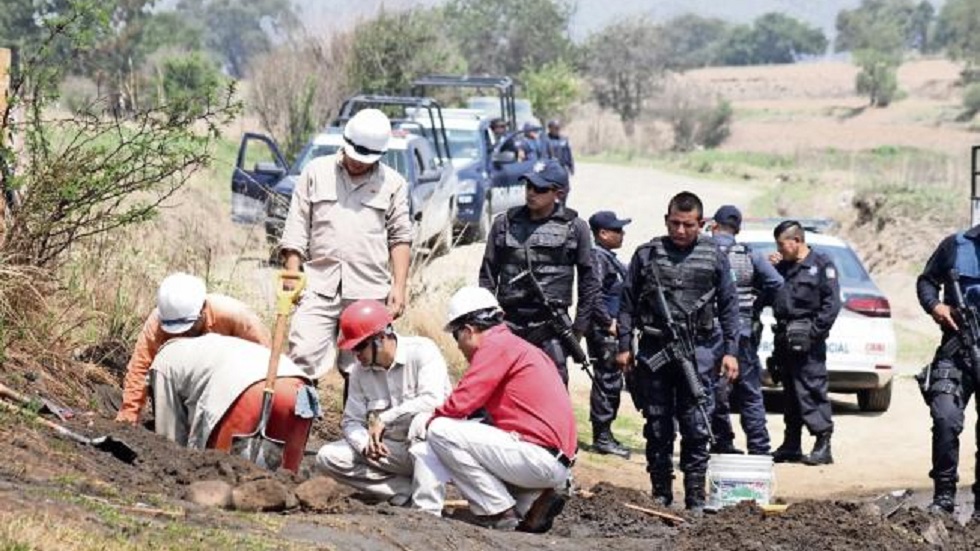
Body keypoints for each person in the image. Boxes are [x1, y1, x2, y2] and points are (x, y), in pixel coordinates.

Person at [616, 191, 740, 512]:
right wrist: (624, 346)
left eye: (688, 225)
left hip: (698, 351)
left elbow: (729, 307)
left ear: (701, 223)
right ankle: (661, 493)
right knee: (657, 425)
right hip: (655, 349)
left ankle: (695, 496)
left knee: (697, 424)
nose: (680, 231)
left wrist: (731, 351)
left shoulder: (714, 256)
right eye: (675, 223)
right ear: (666, 220)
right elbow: (627, 304)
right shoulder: (647, 255)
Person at [426, 287, 576, 532]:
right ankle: (530, 505)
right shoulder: (520, 346)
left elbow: (460, 404)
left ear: (468, 330)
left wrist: (425, 424)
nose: (458, 346)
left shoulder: (495, 346)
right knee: (524, 515)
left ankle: (496, 510)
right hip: (552, 460)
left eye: (456, 337)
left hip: (537, 458)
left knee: (440, 430)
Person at [278, 108, 412, 383]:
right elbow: (297, 226)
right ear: (345, 142)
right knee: (302, 358)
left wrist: (399, 287)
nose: (358, 163)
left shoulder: (394, 184)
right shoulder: (315, 172)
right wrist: (293, 274)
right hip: (317, 286)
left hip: (369, 290)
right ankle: (301, 422)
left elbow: (400, 237)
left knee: (365, 368)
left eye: (366, 160)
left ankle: (356, 424)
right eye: (354, 156)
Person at [316, 300, 451, 512]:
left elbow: (434, 400)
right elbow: (351, 421)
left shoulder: (423, 351)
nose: (356, 355)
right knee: (328, 457)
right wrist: (365, 445)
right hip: (390, 451)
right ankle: (403, 491)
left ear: (380, 338)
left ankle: (427, 510)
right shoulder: (359, 372)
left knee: (422, 423)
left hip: (430, 450)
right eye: (352, 349)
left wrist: (384, 418)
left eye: (359, 347)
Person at [478, 159, 600, 385]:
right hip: (509, 322)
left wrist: (578, 329)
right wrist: (489, 321)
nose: (531, 193)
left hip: (551, 327)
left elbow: (589, 282)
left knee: (552, 392)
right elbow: (487, 276)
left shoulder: (576, 228)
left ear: (558, 193)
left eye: (540, 189)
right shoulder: (503, 224)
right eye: (528, 187)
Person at [115, 272, 270, 425]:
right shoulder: (158, 322)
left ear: (203, 309)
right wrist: (129, 413)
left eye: (188, 328)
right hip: (180, 388)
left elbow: (264, 358)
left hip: (226, 381)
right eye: (176, 330)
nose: (183, 334)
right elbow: (140, 368)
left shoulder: (235, 316)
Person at [150, 333, 318, 473]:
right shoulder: (217, 343)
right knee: (287, 478)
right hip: (300, 388)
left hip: (247, 389)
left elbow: (170, 437)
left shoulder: (164, 361)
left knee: (219, 473)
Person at [915, 224, 980, 516]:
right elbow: (926, 281)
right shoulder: (955, 245)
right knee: (945, 417)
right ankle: (943, 497)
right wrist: (935, 306)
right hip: (957, 349)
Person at [708, 206, 782, 456]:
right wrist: (755, 300)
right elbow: (776, 282)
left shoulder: (702, 251)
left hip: (710, 333)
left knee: (713, 390)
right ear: (737, 230)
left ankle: (722, 442)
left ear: (714, 225)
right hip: (743, 332)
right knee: (750, 391)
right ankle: (759, 448)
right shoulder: (750, 254)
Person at [769, 220, 841, 466]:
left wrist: (813, 333)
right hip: (783, 337)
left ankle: (823, 444)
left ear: (797, 241)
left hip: (807, 339)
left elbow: (832, 305)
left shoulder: (821, 264)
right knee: (790, 392)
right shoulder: (782, 267)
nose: (779, 249)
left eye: (782, 244)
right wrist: (770, 267)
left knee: (811, 389)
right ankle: (791, 443)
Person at [586, 210, 632, 459]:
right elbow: (594, 295)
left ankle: (606, 433)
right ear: (603, 234)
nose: (622, 234)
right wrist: (608, 323)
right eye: (617, 230)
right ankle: (602, 437)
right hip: (605, 332)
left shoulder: (608, 258)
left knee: (613, 381)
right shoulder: (597, 257)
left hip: (612, 329)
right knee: (607, 382)